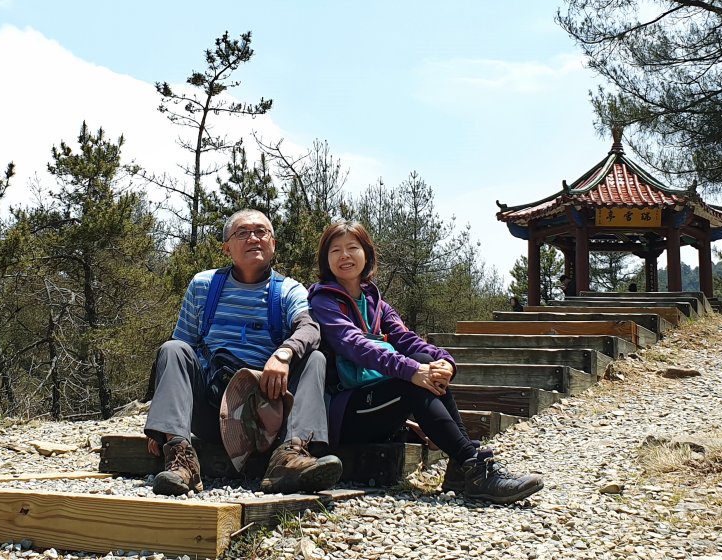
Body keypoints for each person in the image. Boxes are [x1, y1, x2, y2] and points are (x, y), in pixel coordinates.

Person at [308, 220, 544, 505]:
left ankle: (463, 466)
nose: (344, 256)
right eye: (335, 250)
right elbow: (354, 345)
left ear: (366, 254)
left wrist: (444, 361)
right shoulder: (324, 301)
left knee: (424, 362)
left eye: (352, 248)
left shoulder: (377, 303)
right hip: (345, 413)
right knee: (413, 380)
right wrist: (412, 371)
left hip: (376, 401)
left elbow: (408, 340)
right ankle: (472, 465)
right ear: (326, 259)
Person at [144, 209, 342, 496]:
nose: (253, 238)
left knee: (314, 357)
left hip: (267, 414)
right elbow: (179, 351)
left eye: (262, 232)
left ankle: (289, 457)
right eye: (243, 233)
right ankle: (181, 461)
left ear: (273, 244)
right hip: (211, 408)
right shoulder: (203, 285)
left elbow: (310, 328)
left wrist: (284, 353)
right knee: (173, 349)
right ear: (226, 247)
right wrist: (162, 425)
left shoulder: (288, 290)